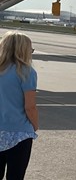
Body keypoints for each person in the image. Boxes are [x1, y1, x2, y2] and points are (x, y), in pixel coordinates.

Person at [0, 31, 39, 179]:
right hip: (19, 133)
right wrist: (35, 125)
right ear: (22, 50)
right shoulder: (26, 72)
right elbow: (30, 107)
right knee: (15, 176)